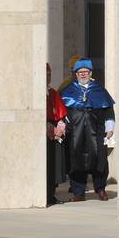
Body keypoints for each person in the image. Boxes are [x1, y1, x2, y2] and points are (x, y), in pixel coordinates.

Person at [61, 59, 116, 202]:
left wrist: (110, 127)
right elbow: (62, 111)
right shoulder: (68, 90)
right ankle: (78, 192)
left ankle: (101, 189)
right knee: (76, 160)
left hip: (97, 131)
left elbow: (109, 110)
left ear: (90, 73)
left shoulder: (100, 90)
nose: (83, 74)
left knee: (99, 160)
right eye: (80, 72)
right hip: (75, 132)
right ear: (76, 74)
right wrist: (62, 123)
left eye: (86, 72)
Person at [46, 63, 68, 205]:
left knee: (54, 166)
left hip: (54, 135)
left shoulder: (53, 93)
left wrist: (60, 126)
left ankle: (51, 195)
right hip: (43, 133)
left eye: (49, 75)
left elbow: (60, 114)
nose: (48, 77)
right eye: (45, 75)